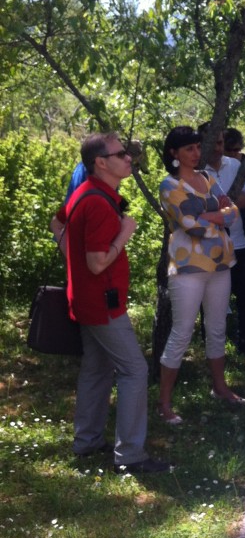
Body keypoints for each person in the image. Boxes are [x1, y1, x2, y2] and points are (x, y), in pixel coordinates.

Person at [54, 133, 169, 474]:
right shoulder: (98, 203)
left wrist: (71, 261)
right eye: (121, 154)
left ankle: (87, 442)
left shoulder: (85, 193)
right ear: (101, 163)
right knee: (134, 370)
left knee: (97, 368)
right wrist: (124, 233)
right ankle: (131, 455)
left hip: (85, 298)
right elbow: (97, 263)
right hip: (103, 305)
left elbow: (57, 223)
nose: (129, 158)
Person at [158, 126, 244, 423]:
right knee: (182, 332)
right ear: (174, 153)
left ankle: (220, 388)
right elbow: (189, 224)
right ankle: (165, 403)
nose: (196, 153)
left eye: (197, 147)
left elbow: (233, 212)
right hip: (188, 269)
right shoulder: (169, 185)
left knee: (217, 327)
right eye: (189, 149)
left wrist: (212, 216)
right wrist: (216, 217)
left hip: (220, 264)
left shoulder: (208, 177)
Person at [198, 123, 245, 361]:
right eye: (214, 143)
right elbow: (198, 208)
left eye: (221, 142)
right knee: (211, 303)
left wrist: (221, 207)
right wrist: (224, 207)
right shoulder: (198, 172)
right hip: (211, 247)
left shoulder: (236, 165)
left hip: (240, 242)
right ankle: (212, 351)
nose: (218, 148)